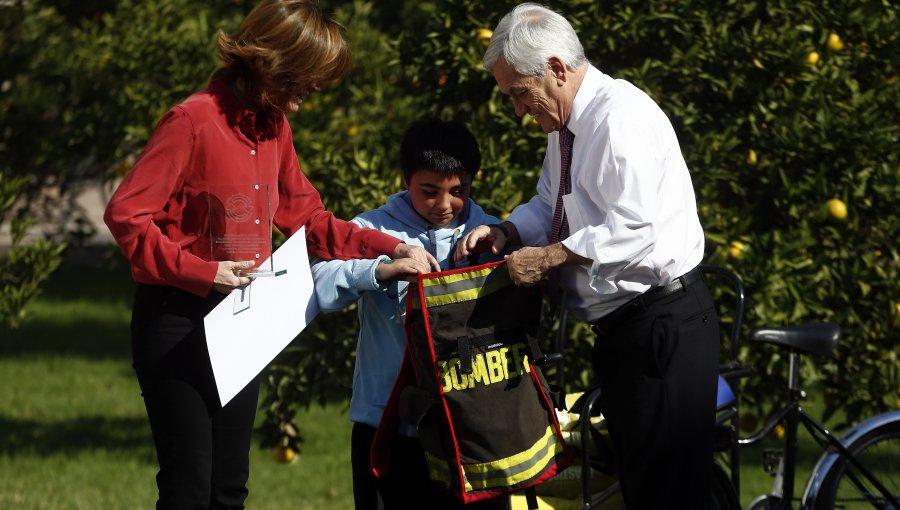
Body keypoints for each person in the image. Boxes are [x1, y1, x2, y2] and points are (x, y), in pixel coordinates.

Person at [103, 1, 437, 508]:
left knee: (229, 489)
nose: (315, 90)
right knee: (187, 489)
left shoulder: (274, 126)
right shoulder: (191, 121)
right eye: (306, 77)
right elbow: (126, 216)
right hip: (177, 322)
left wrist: (392, 245)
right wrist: (202, 272)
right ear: (266, 60)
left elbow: (311, 222)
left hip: (243, 321)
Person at [456, 4, 720, 509]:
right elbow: (549, 204)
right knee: (643, 488)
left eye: (518, 93)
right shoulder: (567, 126)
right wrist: (507, 229)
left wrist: (550, 257)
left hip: (662, 328)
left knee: (668, 495)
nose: (517, 110)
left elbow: (634, 231)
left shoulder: (619, 119)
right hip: (630, 334)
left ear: (555, 69)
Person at [311, 118, 505, 510]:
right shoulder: (371, 228)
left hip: (470, 423)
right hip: (387, 422)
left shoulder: (489, 231)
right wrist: (379, 271)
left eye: (458, 191)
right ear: (405, 179)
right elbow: (321, 284)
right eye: (429, 191)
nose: (445, 205)